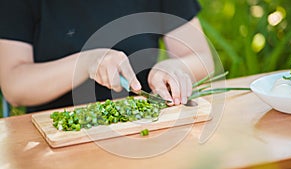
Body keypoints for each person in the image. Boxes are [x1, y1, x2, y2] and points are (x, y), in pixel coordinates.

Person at [0, 0, 214, 113]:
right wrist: (86, 63)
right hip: (57, 136)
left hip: (145, 126)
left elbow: (201, 58)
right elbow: (14, 85)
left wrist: (176, 67)